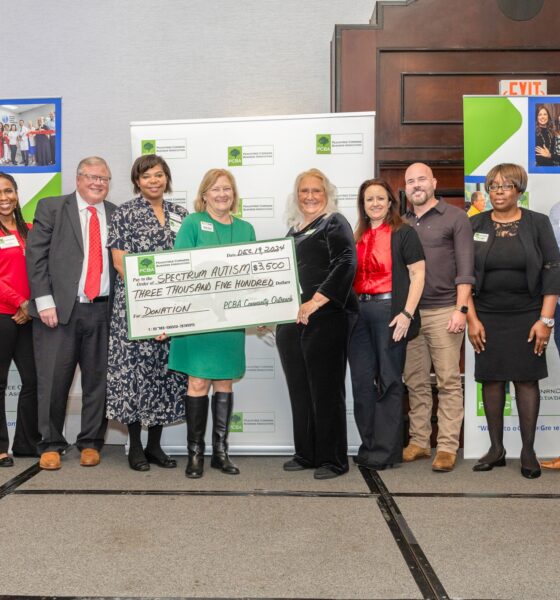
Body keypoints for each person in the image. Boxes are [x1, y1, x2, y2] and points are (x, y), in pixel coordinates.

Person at [468, 164, 560, 478]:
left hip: (528, 315)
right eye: (493, 186)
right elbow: (464, 276)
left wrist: (545, 321)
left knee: (525, 380)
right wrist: (472, 320)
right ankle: (496, 448)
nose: (498, 192)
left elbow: (552, 270)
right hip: (487, 315)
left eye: (505, 186)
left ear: (519, 190)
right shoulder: (475, 224)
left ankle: (528, 450)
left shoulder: (538, 223)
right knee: (491, 380)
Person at [26, 157, 116, 470]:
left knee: (98, 381)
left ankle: (91, 442)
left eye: (103, 178)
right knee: (53, 381)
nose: (97, 183)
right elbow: (35, 256)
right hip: (59, 310)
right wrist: (44, 301)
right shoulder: (51, 207)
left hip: (104, 309)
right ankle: (50, 444)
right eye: (91, 176)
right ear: (78, 179)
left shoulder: (116, 214)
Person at [168, 168, 255, 478]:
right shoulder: (192, 223)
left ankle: (220, 452)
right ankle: (196, 455)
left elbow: (251, 276)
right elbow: (178, 267)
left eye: (227, 189)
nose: (222, 194)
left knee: (224, 382)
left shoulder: (246, 228)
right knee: (197, 383)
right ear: (204, 194)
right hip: (197, 319)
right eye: (216, 189)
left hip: (229, 320)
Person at [106, 155, 188, 471]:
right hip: (136, 309)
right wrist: (151, 301)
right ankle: (136, 447)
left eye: (159, 175)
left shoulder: (182, 214)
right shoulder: (125, 213)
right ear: (137, 182)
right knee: (137, 377)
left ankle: (155, 447)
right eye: (146, 176)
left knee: (163, 376)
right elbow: (119, 263)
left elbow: (191, 260)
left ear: (166, 178)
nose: (153, 181)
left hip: (174, 309)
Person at [275, 168, 357, 480]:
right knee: (300, 389)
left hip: (326, 318)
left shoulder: (334, 221)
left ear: (327, 194)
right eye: (304, 191)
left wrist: (315, 301)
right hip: (292, 322)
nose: (310, 196)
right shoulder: (293, 229)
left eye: (316, 191)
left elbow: (346, 264)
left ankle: (333, 459)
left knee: (325, 390)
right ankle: (306, 453)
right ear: (297, 196)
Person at [348, 178, 425, 470]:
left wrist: (406, 314)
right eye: (369, 199)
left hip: (390, 311)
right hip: (358, 313)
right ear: (363, 205)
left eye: (381, 198)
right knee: (361, 382)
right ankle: (369, 445)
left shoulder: (404, 233)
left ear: (390, 202)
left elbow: (418, 275)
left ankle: (387, 450)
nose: (375, 204)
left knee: (390, 380)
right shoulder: (357, 236)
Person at [402, 163, 475, 472]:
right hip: (410, 315)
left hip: (446, 310)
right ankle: (419, 441)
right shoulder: (401, 222)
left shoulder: (456, 217)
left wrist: (462, 309)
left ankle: (446, 446)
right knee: (415, 381)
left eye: (421, 179)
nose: (416, 185)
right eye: (410, 181)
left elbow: (466, 268)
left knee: (447, 381)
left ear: (433, 182)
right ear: (405, 188)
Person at [0, 173, 40, 466]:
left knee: (33, 380)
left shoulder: (29, 230)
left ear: (16, 193)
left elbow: (41, 271)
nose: (4, 197)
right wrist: (20, 302)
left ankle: (26, 443)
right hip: (3, 314)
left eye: (8, 191)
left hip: (29, 317)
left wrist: (31, 306)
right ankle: (1, 447)